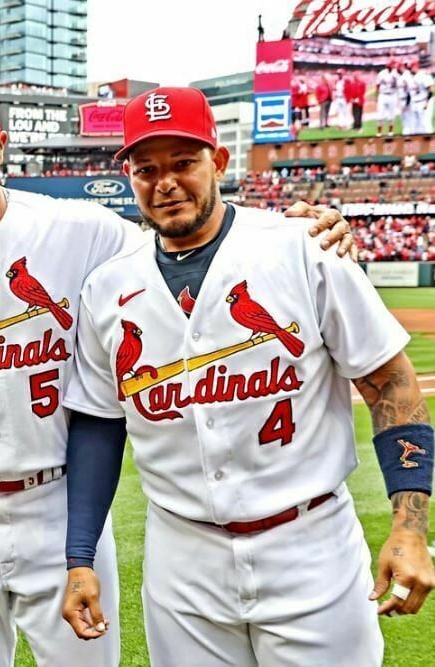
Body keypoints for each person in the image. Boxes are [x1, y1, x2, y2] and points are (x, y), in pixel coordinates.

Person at [0, 74, 355, 667]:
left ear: (0, 144)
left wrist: (303, 232)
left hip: (57, 496)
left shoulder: (84, 230)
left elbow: (189, 237)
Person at [60, 86, 434, 666]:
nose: (165, 183)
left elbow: (391, 385)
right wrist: (79, 556)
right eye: (146, 168)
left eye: (183, 163)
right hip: (182, 560)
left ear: (219, 160)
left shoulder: (302, 248)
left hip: (310, 548)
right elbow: (100, 427)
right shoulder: (108, 287)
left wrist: (409, 527)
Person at [376, 59, 398, 136]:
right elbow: (377, 85)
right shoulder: (381, 74)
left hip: (392, 95)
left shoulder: (396, 74)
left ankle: (390, 132)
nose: (392, 66)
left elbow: (399, 85)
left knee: (391, 115)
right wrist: (377, 95)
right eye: (391, 65)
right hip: (383, 95)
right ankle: (379, 133)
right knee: (380, 114)